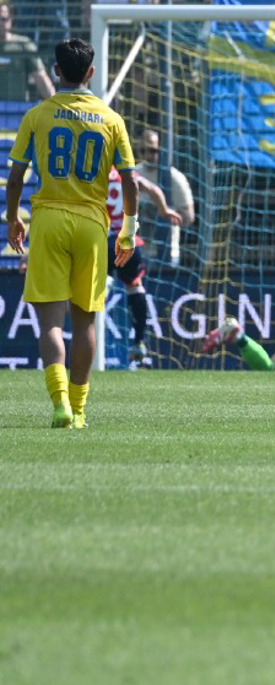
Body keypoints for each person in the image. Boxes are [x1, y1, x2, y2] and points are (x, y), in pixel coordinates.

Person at [5, 37, 139, 428]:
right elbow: (130, 181)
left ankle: (60, 402)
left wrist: (13, 218)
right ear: (91, 73)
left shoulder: (38, 115)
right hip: (92, 224)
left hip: (48, 219)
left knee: (50, 323)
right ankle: (79, 411)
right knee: (85, 323)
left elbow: (16, 177)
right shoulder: (111, 118)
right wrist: (128, 230)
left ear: (56, 71)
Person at [105, 165, 183, 367]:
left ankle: (104, 287)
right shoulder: (126, 173)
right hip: (127, 240)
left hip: (103, 240)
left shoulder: (94, 171)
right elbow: (153, 189)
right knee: (135, 286)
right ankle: (139, 341)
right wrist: (164, 210)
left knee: (95, 288)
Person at [137, 130, 195, 263]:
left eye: (153, 151)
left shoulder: (175, 178)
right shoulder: (133, 174)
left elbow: (189, 216)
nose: (148, 155)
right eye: (143, 151)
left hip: (168, 254)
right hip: (137, 251)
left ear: (160, 150)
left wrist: (161, 215)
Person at [1, 3, 55, 102]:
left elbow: (41, 79)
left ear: (11, 19)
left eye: (3, 19)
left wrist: (55, 104)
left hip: (16, 108)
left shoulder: (24, 45)